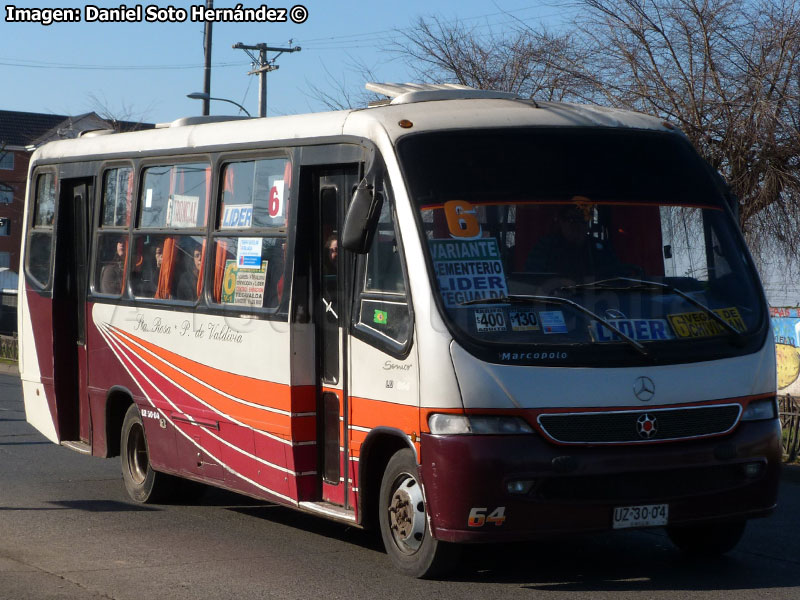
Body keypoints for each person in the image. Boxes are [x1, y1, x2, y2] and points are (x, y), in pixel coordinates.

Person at [525, 204, 621, 279]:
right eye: (571, 219)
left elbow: (615, 278)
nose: (577, 225)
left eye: (582, 219)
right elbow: (532, 281)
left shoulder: (601, 249)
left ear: (588, 223)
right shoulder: (544, 248)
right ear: (561, 222)